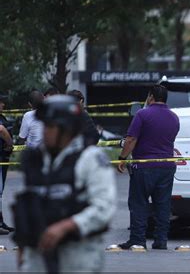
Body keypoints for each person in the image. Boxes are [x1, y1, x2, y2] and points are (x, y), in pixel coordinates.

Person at [13, 95, 117, 272]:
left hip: (78, 257)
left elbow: (104, 207)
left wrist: (67, 226)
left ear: (67, 128)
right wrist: (23, 245)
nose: (45, 131)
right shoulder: (35, 159)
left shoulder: (90, 158)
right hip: (37, 257)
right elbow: (27, 205)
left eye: (50, 126)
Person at [117, 84, 180, 250]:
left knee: (139, 203)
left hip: (144, 166)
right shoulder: (174, 117)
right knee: (163, 205)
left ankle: (138, 239)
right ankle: (161, 240)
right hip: (167, 167)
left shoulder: (142, 114)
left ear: (151, 97)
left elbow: (131, 140)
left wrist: (122, 158)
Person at [0, 93, 14, 235]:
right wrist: (10, 144)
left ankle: (1, 221)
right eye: (1, 102)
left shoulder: (2, 117)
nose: (3, 105)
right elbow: (2, 130)